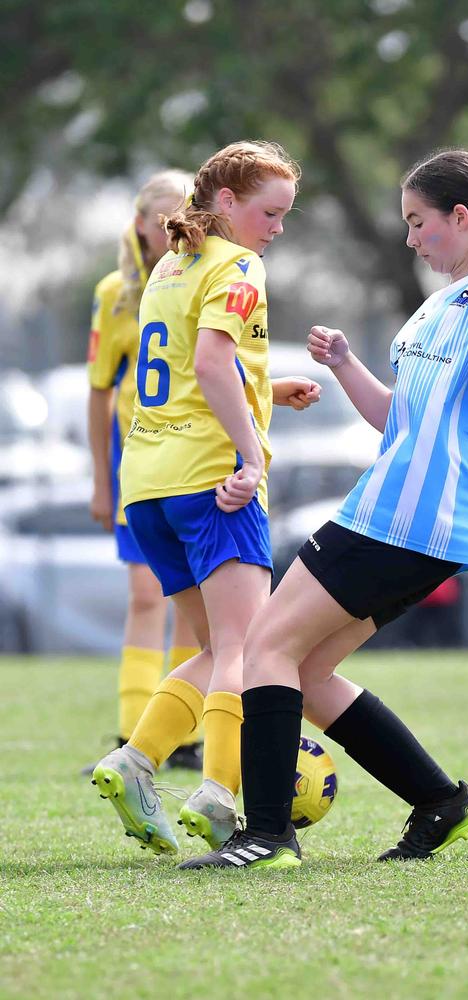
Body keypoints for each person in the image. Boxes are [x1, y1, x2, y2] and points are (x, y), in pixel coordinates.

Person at [178, 148, 468, 872]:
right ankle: (442, 802)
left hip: (417, 515)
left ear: (460, 217)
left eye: (420, 222)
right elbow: (403, 422)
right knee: (308, 670)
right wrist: (346, 365)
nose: (412, 238)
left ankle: (264, 835)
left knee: (266, 646)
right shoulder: (442, 301)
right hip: (401, 508)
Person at [90, 140, 321, 857]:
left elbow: (193, 368)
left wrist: (268, 391)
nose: (277, 228)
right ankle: (220, 794)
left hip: (150, 483)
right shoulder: (239, 263)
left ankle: (134, 759)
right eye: (269, 212)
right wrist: (251, 456)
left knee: (218, 644)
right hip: (209, 479)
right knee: (248, 648)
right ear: (226, 203)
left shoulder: (170, 262)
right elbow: (212, 361)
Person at [85, 170, 204, 773]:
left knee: (193, 599)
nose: (179, 226)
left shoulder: (207, 277)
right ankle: (132, 732)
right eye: (167, 218)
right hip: (136, 458)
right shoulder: (117, 293)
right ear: (142, 224)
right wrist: (102, 481)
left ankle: (181, 735)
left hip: (195, 456)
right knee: (144, 595)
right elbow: (100, 391)